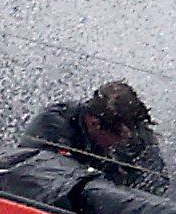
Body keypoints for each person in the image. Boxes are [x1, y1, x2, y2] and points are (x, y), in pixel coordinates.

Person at [21, 80, 168, 194]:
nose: (125, 143)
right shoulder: (51, 127)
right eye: (118, 138)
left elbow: (157, 181)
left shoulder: (133, 129)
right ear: (95, 123)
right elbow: (32, 181)